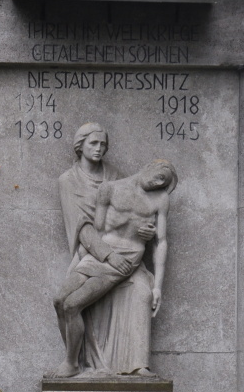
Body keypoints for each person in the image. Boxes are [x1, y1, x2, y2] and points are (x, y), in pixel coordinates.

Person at [53, 156, 177, 378]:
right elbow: (97, 229)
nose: (159, 183)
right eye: (160, 176)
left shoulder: (160, 199)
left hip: (125, 260)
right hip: (100, 254)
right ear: (148, 166)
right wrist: (94, 254)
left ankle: (71, 363)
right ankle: (73, 360)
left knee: (72, 305)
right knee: (59, 300)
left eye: (164, 182)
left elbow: (161, 242)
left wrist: (157, 286)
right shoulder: (109, 189)